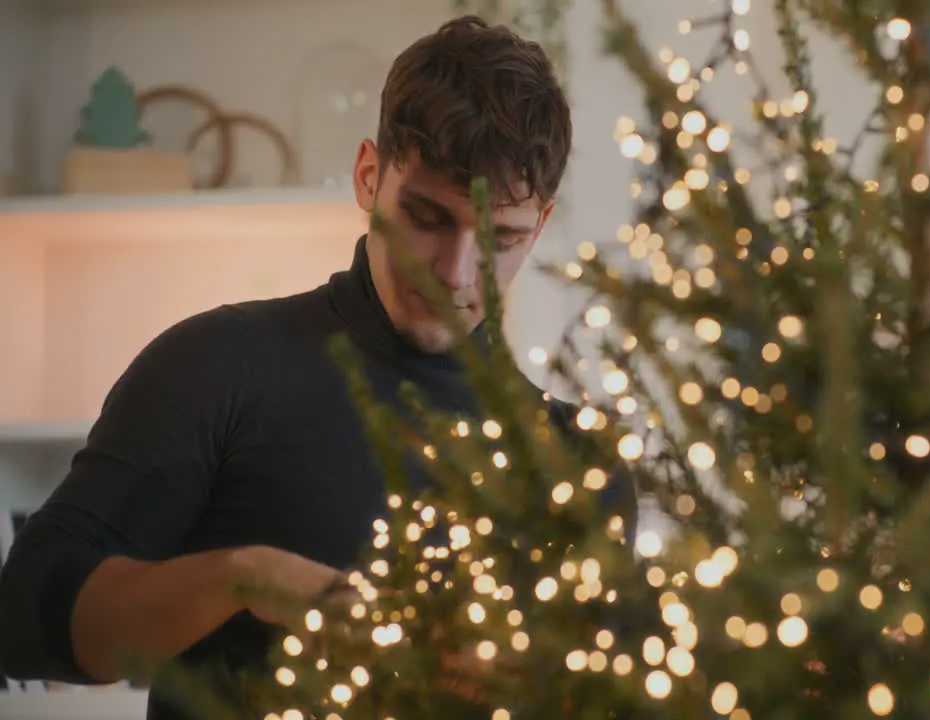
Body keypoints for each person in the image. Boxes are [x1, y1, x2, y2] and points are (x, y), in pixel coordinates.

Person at [0, 16, 632, 719]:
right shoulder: (217, 368)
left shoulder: (580, 465)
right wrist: (242, 578)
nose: (456, 273)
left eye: (500, 238)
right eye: (426, 217)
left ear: (538, 229)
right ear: (369, 176)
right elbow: (22, 619)